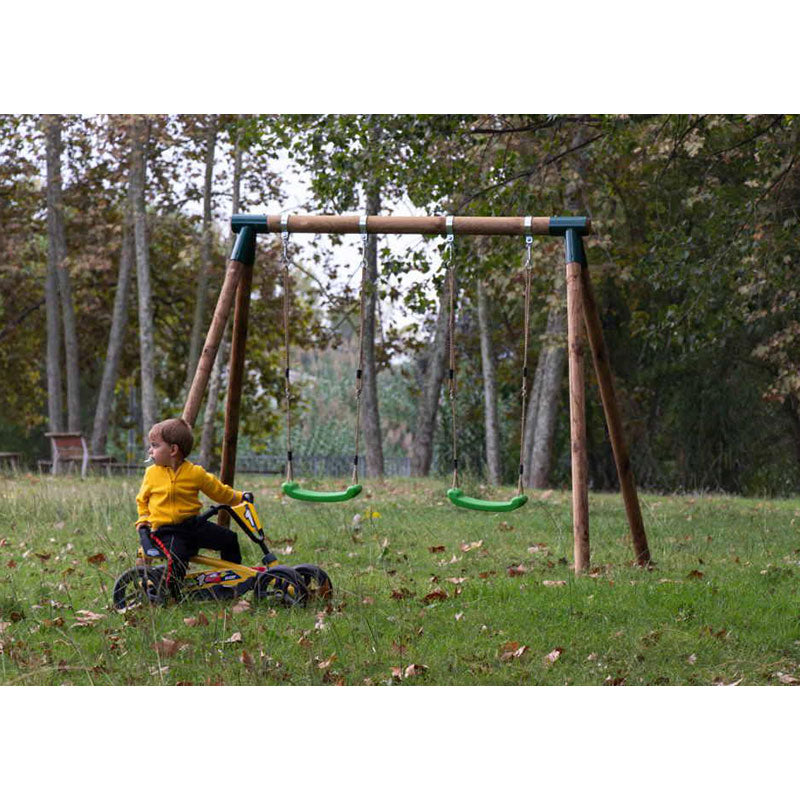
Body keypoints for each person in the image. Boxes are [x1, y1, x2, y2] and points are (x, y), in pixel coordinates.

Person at [135, 417, 249, 594]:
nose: (150, 451)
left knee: (229, 539)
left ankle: (230, 580)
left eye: (155, 446)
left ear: (173, 450)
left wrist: (240, 497)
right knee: (177, 557)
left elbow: (219, 491)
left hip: (193, 525)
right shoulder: (151, 474)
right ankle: (171, 592)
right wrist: (143, 520)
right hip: (165, 530)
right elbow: (142, 500)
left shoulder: (195, 473)